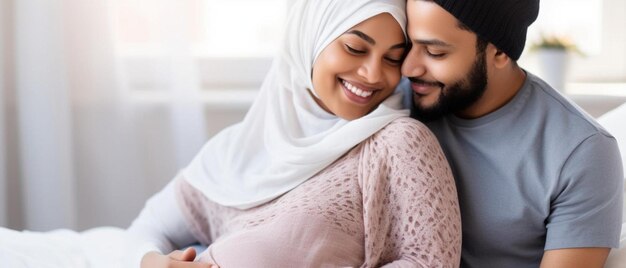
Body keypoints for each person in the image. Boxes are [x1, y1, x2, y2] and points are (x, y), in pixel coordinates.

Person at [128, 0, 461, 267]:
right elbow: (145, 230)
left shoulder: (398, 142)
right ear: (309, 40)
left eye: (392, 58)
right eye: (355, 49)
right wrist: (152, 261)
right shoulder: (233, 153)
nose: (374, 74)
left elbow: (429, 259)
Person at [399, 0, 624, 267]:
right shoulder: (396, 100)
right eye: (406, 46)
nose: (408, 68)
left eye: (435, 52)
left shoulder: (583, 150)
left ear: (499, 53)